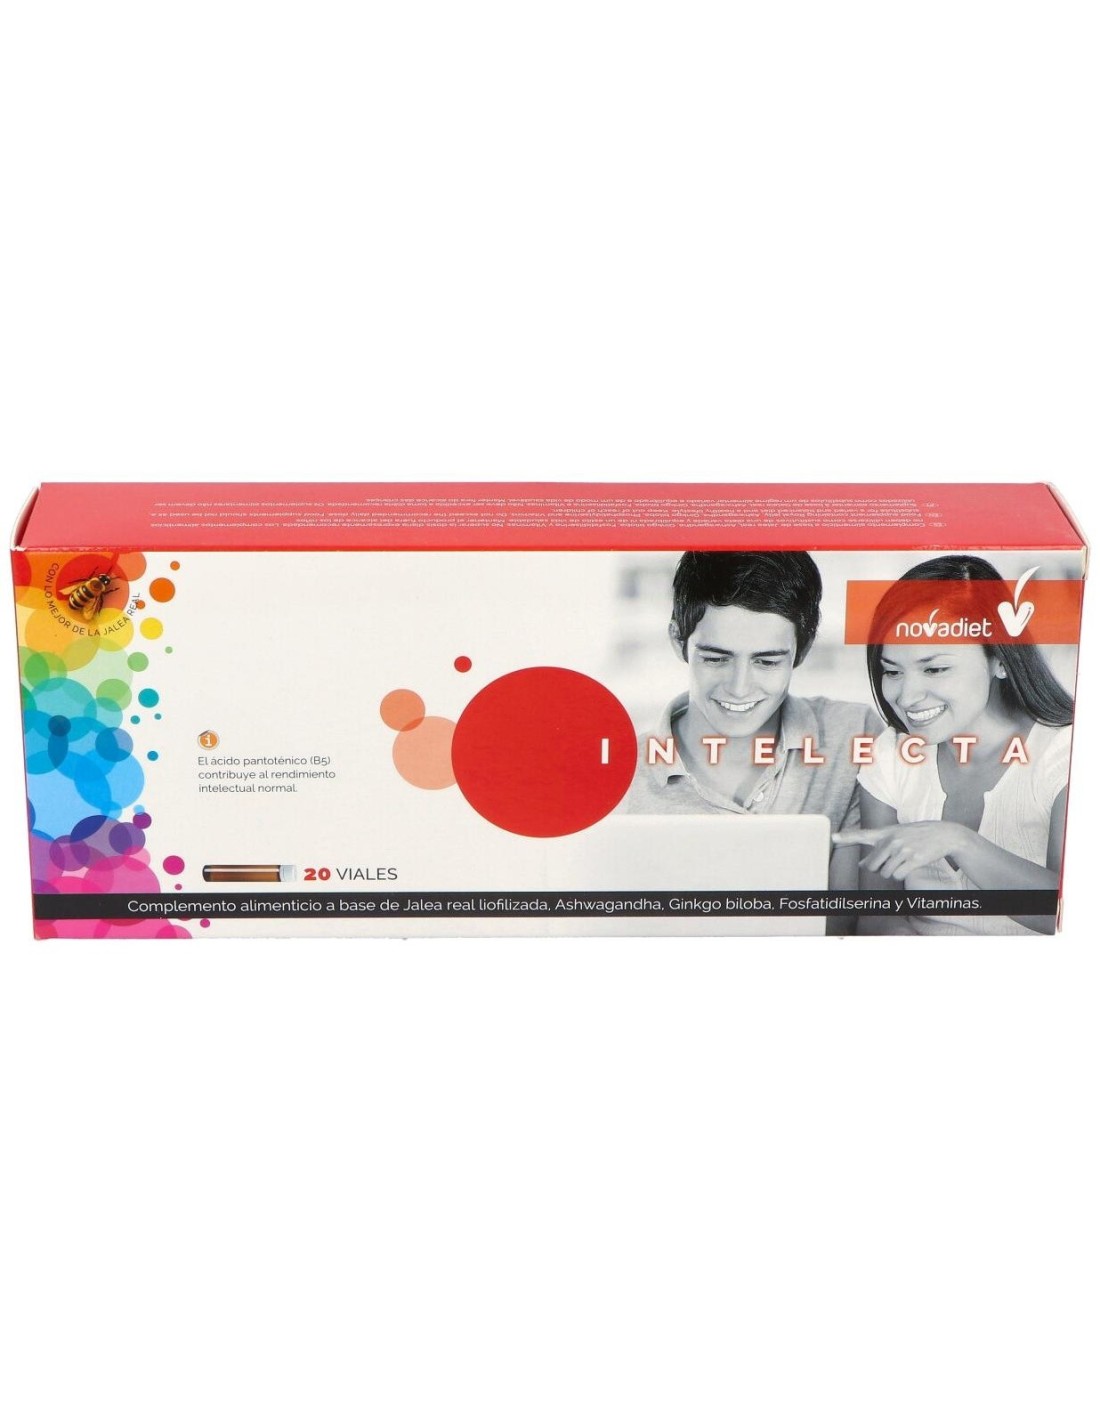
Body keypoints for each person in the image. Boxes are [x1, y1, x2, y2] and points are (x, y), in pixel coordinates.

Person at [623, 551, 882, 912]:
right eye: (716, 658)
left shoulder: (853, 736)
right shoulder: (618, 776)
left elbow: (851, 922)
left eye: (767, 661)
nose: (739, 688)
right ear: (678, 640)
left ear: (802, 650)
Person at [833, 555, 1074, 934]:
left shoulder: (1067, 752)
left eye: (934, 668)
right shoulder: (891, 754)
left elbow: (1068, 915)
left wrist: (959, 841)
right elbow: (877, 920)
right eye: (892, 671)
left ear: (1000, 660)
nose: (907, 696)